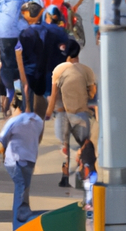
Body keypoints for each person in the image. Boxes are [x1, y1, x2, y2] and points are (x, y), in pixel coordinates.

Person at [0, 92, 44, 229]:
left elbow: (2, 141)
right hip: (22, 160)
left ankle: (21, 222)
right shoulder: (38, 121)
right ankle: (18, 224)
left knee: (23, 190)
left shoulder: (16, 121)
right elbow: (37, 140)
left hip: (20, 160)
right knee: (22, 189)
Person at [45, 39, 96, 187]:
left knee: (67, 148)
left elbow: (53, 96)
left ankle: (66, 176)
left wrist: (48, 114)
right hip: (81, 115)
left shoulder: (59, 70)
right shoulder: (86, 70)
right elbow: (92, 93)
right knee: (81, 147)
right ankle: (82, 175)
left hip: (62, 116)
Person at [15, 2, 68, 120]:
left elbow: (18, 53)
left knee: (29, 110)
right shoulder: (56, 32)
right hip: (49, 71)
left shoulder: (26, 33)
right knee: (46, 102)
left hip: (30, 73)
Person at [0, 0, 28, 114]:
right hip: (16, 34)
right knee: (18, 69)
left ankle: (10, 98)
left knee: (7, 67)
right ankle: (18, 103)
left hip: (3, 35)